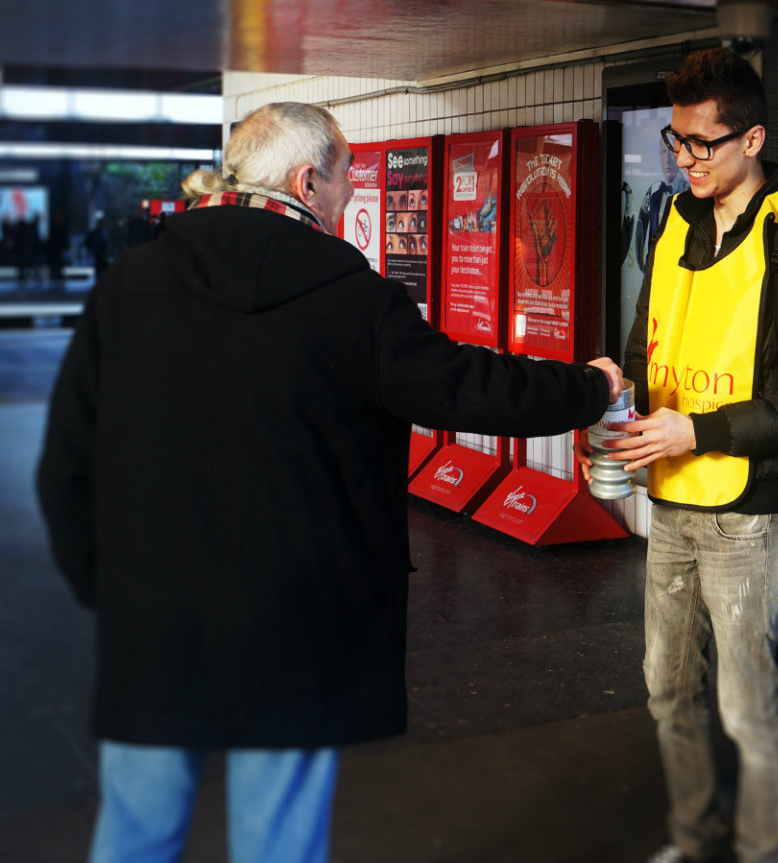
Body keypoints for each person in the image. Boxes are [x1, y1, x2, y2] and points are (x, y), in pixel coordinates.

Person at [36, 101, 621, 863]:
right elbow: (467, 387)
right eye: (349, 177)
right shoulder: (353, 298)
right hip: (298, 620)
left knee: (136, 833)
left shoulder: (132, 283)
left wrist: (107, 586)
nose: (352, 194)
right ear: (308, 181)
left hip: (154, 617)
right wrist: (589, 388)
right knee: (279, 841)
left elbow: (65, 464)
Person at [600, 48, 778, 863]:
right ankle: (693, 837)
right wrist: (623, 411)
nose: (683, 160)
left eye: (701, 144)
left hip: (750, 517)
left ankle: (760, 851)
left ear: (753, 139)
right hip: (672, 498)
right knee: (667, 692)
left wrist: (697, 432)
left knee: (748, 708)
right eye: (676, 142)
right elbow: (652, 349)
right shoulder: (675, 222)